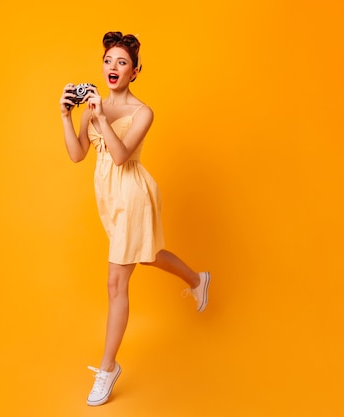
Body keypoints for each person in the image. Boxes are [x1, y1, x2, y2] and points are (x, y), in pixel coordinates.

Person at [59, 31, 211, 407]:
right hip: (109, 199)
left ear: (135, 71)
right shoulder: (92, 107)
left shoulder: (143, 112)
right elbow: (78, 155)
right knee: (147, 255)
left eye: (122, 62)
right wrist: (66, 116)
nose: (113, 67)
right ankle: (197, 279)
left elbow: (123, 155)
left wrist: (100, 117)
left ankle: (108, 369)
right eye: (108, 60)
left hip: (133, 194)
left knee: (115, 284)